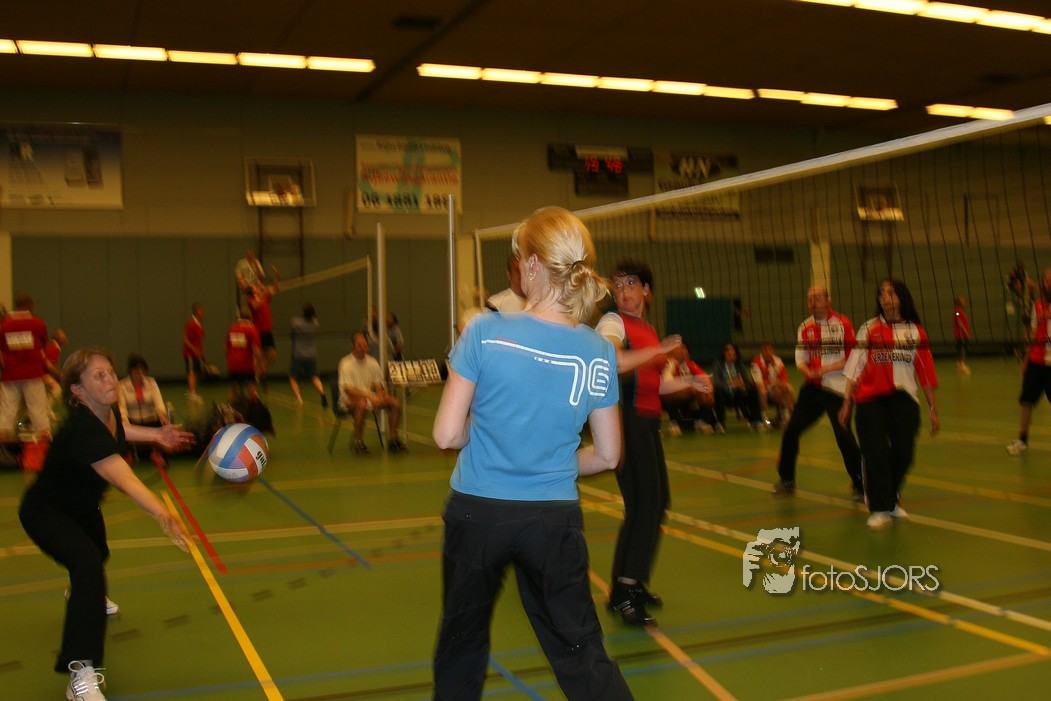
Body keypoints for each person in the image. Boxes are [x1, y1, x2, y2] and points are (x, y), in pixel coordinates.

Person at [432, 206, 632, 700]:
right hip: (552, 520)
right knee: (579, 650)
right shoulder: (598, 350)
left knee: (461, 646)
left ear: (535, 264)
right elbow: (609, 456)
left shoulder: (483, 330)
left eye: (520, 257)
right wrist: (552, 463)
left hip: (477, 514)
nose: (518, 266)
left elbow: (446, 436)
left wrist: (489, 432)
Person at [18, 347, 192, 701]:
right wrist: (163, 513)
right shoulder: (82, 429)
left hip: (83, 507)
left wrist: (156, 435)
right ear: (78, 391)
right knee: (87, 565)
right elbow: (125, 479)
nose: (111, 379)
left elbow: (119, 430)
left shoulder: (106, 411)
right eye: (99, 376)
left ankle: (83, 594)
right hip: (46, 511)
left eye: (110, 372)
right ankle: (79, 673)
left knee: (97, 555)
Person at [596, 259, 682, 627]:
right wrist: (660, 350)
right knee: (644, 503)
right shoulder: (613, 323)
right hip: (624, 422)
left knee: (655, 503)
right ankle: (624, 592)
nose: (624, 292)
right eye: (618, 287)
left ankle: (629, 583)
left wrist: (692, 383)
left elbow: (654, 384)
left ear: (646, 290)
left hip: (648, 423)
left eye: (630, 284)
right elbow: (613, 361)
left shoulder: (646, 329)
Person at [838, 279, 939, 530]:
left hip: (904, 398)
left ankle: (891, 498)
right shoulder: (869, 328)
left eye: (890, 293)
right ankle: (880, 507)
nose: (885, 298)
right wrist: (846, 402)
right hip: (870, 398)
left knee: (904, 454)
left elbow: (926, 373)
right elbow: (854, 368)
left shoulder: (915, 331)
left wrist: (933, 409)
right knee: (875, 452)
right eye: (881, 293)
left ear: (902, 297)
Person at [774, 286, 863, 499]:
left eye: (817, 299)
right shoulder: (805, 327)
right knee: (791, 430)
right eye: (809, 300)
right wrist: (809, 372)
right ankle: (787, 480)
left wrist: (823, 370)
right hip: (813, 390)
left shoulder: (843, 324)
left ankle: (861, 483)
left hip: (838, 390)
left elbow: (852, 358)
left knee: (843, 436)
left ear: (828, 301)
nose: (813, 303)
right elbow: (801, 360)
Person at [1007, 266, 1051, 456]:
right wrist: (1026, 359)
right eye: (1046, 278)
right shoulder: (1038, 305)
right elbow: (1034, 334)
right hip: (1036, 361)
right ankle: (1022, 440)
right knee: (1026, 400)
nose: (1048, 281)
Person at [0, 292, 54, 448]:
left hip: (11, 373)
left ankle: (2, 445)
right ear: (30, 305)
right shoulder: (38, 323)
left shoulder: (4, 325)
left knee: (7, 409)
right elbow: (44, 343)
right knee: (37, 408)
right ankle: (43, 445)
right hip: (33, 373)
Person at [338, 331, 405, 454]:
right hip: (348, 399)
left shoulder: (372, 362)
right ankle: (359, 442)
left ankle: (393, 438)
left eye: (364, 344)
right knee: (361, 404)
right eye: (359, 344)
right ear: (353, 345)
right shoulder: (345, 363)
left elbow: (379, 385)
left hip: (369, 397)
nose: (362, 347)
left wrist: (380, 395)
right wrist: (369, 396)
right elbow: (348, 390)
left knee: (395, 403)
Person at [117, 354, 169, 469]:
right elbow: (122, 407)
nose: (139, 372)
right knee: (120, 427)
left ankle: (157, 452)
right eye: (136, 370)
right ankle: (127, 454)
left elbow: (159, 403)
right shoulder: (122, 386)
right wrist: (124, 418)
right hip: (132, 420)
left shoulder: (151, 383)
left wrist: (162, 414)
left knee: (163, 424)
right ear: (130, 371)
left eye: (142, 369)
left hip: (151, 419)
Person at [660, 343, 716, 435]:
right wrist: (690, 386)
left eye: (685, 349)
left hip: (689, 393)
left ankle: (702, 421)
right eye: (680, 350)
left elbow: (704, 377)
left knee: (706, 389)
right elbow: (668, 384)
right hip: (671, 394)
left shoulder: (690, 364)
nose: (683, 352)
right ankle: (674, 422)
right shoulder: (669, 364)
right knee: (672, 394)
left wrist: (708, 389)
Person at [711, 343, 763, 431]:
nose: (732, 357)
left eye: (734, 354)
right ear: (724, 354)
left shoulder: (739, 364)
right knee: (718, 391)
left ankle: (756, 420)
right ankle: (720, 422)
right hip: (724, 393)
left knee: (752, 390)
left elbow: (747, 381)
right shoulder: (717, 364)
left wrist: (743, 384)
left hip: (738, 393)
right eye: (729, 354)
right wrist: (731, 383)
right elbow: (717, 382)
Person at [288, 303, 326, 407]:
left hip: (298, 354)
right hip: (311, 355)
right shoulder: (315, 324)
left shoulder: (296, 322)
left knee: (292, 377)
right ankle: (322, 392)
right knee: (314, 376)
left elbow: (292, 331)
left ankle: (299, 398)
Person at [751, 341, 795, 427]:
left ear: (773, 351)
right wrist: (773, 383)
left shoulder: (778, 361)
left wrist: (777, 385)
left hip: (775, 387)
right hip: (760, 389)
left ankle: (786, 416)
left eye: (769, 350)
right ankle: (764, 417)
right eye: (765, 350)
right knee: (763, 391)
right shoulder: (756, 362)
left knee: (789, 388)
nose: (767, 352)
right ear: (761, 351)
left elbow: (784, 380)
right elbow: (759, 383)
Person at [226, 307, 262, 403]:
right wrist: (261, 364)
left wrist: (231, 360)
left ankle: (231, 409)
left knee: (232, 388)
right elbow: (256, 350)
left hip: (233, 365)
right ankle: (254, 408)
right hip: (246, 366)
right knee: (252, 388)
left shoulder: (231, 329)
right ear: (250, 316)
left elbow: (226, 349)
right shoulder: (252, 330)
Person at [247, 277, 279, 382]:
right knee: (257, 356)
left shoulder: (264, 296)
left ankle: (262, 369)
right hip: (258, 331)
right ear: (253, 290)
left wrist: (277, 278)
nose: (258, 287)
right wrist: (263, 293)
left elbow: (275, 289)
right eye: (256, 287)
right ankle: (254, 378)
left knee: (272, 355)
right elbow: (256, 306)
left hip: (267, 331)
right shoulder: (251, 300)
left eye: (258, 286)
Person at [181, 303, 206, 403]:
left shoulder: (199, 325)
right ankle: (192, 393)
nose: (203, 313)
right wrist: (193, 349)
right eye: (201, 311)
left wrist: (201, 353)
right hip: (189, 354)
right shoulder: (191, 323)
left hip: (197, 354)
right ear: (196, 311)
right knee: (191, 372)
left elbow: (198, 341)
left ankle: (190, 392)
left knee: (197, 373)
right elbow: (185, 338)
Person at [43, 326, 68, 420]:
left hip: (41, 374)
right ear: (58, 338)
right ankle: (46, 412)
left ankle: (47, 411)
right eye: (63, 336)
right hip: (41, 375)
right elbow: (48, 365)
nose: (66, 338)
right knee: (56, 389)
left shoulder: (53, 347)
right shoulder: (54, 348)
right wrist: (60, 376)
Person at [953, 296, 972, 375]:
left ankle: (959, 365)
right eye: (963, 301)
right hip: (961, 334)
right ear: (959, 303)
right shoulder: (957, 311)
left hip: (962, 334)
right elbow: (959, 322)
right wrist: (966, 333)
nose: (965, 302)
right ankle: (962, 365)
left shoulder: (960, 311)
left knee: (961, 349)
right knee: (962, 349)